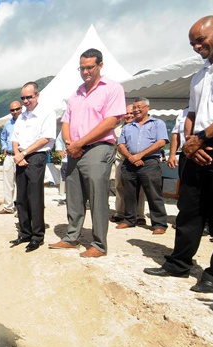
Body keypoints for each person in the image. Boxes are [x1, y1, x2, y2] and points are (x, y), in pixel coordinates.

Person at [144, 16, 213, 293]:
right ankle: (179, 263)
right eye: (192, 43)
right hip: (198, 142)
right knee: (189, 208)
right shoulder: (199, 74)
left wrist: (203, 138)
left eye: (201, 40)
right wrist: (193, 141)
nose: (197, 46)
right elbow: (191, 113)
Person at [48, 48, 126, 257]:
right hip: (74, 150)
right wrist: (68, 142)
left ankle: (99, 244)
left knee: (97, 196)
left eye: (90, 67)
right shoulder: (77, 92)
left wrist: (79, 143)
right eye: (82, 68)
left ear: (100, 65)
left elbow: (111, 121)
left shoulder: (112, 88)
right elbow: (66, 121)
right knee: (74, 195)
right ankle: (72, 237)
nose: (85, 72)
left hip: (98, 148)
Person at [9, 82, 56, 252]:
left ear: (37, 95)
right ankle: (25, 233)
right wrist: (17, 154)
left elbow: (45, 138)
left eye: (29, 97)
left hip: (36, 156)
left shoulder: (46, 113)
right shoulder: (21, 116)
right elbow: (15, 138)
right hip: (20, 156)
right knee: (21, 197)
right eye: (23, 98)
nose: (26, 100)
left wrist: (24, 153)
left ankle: (37, 236)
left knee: (35, 197)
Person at [116, 97, 169, 234]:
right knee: (129, 193)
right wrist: (131, 157)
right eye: (134, 107)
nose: (136, 110)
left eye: (139, 106)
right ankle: (129, 219)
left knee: (153, 193)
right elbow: (121, 145)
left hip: (150, 162)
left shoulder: (158, 123)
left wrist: (140, 155)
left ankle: (159, 223)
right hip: (129, 162)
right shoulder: (127, 127)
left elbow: (161, 142)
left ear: (147, 108)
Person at [110, 104, 146, 225]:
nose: (129, 115)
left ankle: (139, 215)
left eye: (131, 113)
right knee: (119, 186)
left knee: (140, 189)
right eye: (127, 113)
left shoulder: (143, 127)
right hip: (121, 161)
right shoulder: (117, 128)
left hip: (139, 161)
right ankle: (119, 212)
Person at [0, 101, 22, 214]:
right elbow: (2, 137)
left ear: (21, 108)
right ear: (10, 111)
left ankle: (20, 208)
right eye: (13, 110)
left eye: (17, 109)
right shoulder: (8, 124)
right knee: (8, 182)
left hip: (21, 155)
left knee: (21, 182)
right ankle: (8, 207)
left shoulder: (25, 122)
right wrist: (4, 146)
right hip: (9, 156)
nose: (15, 111)